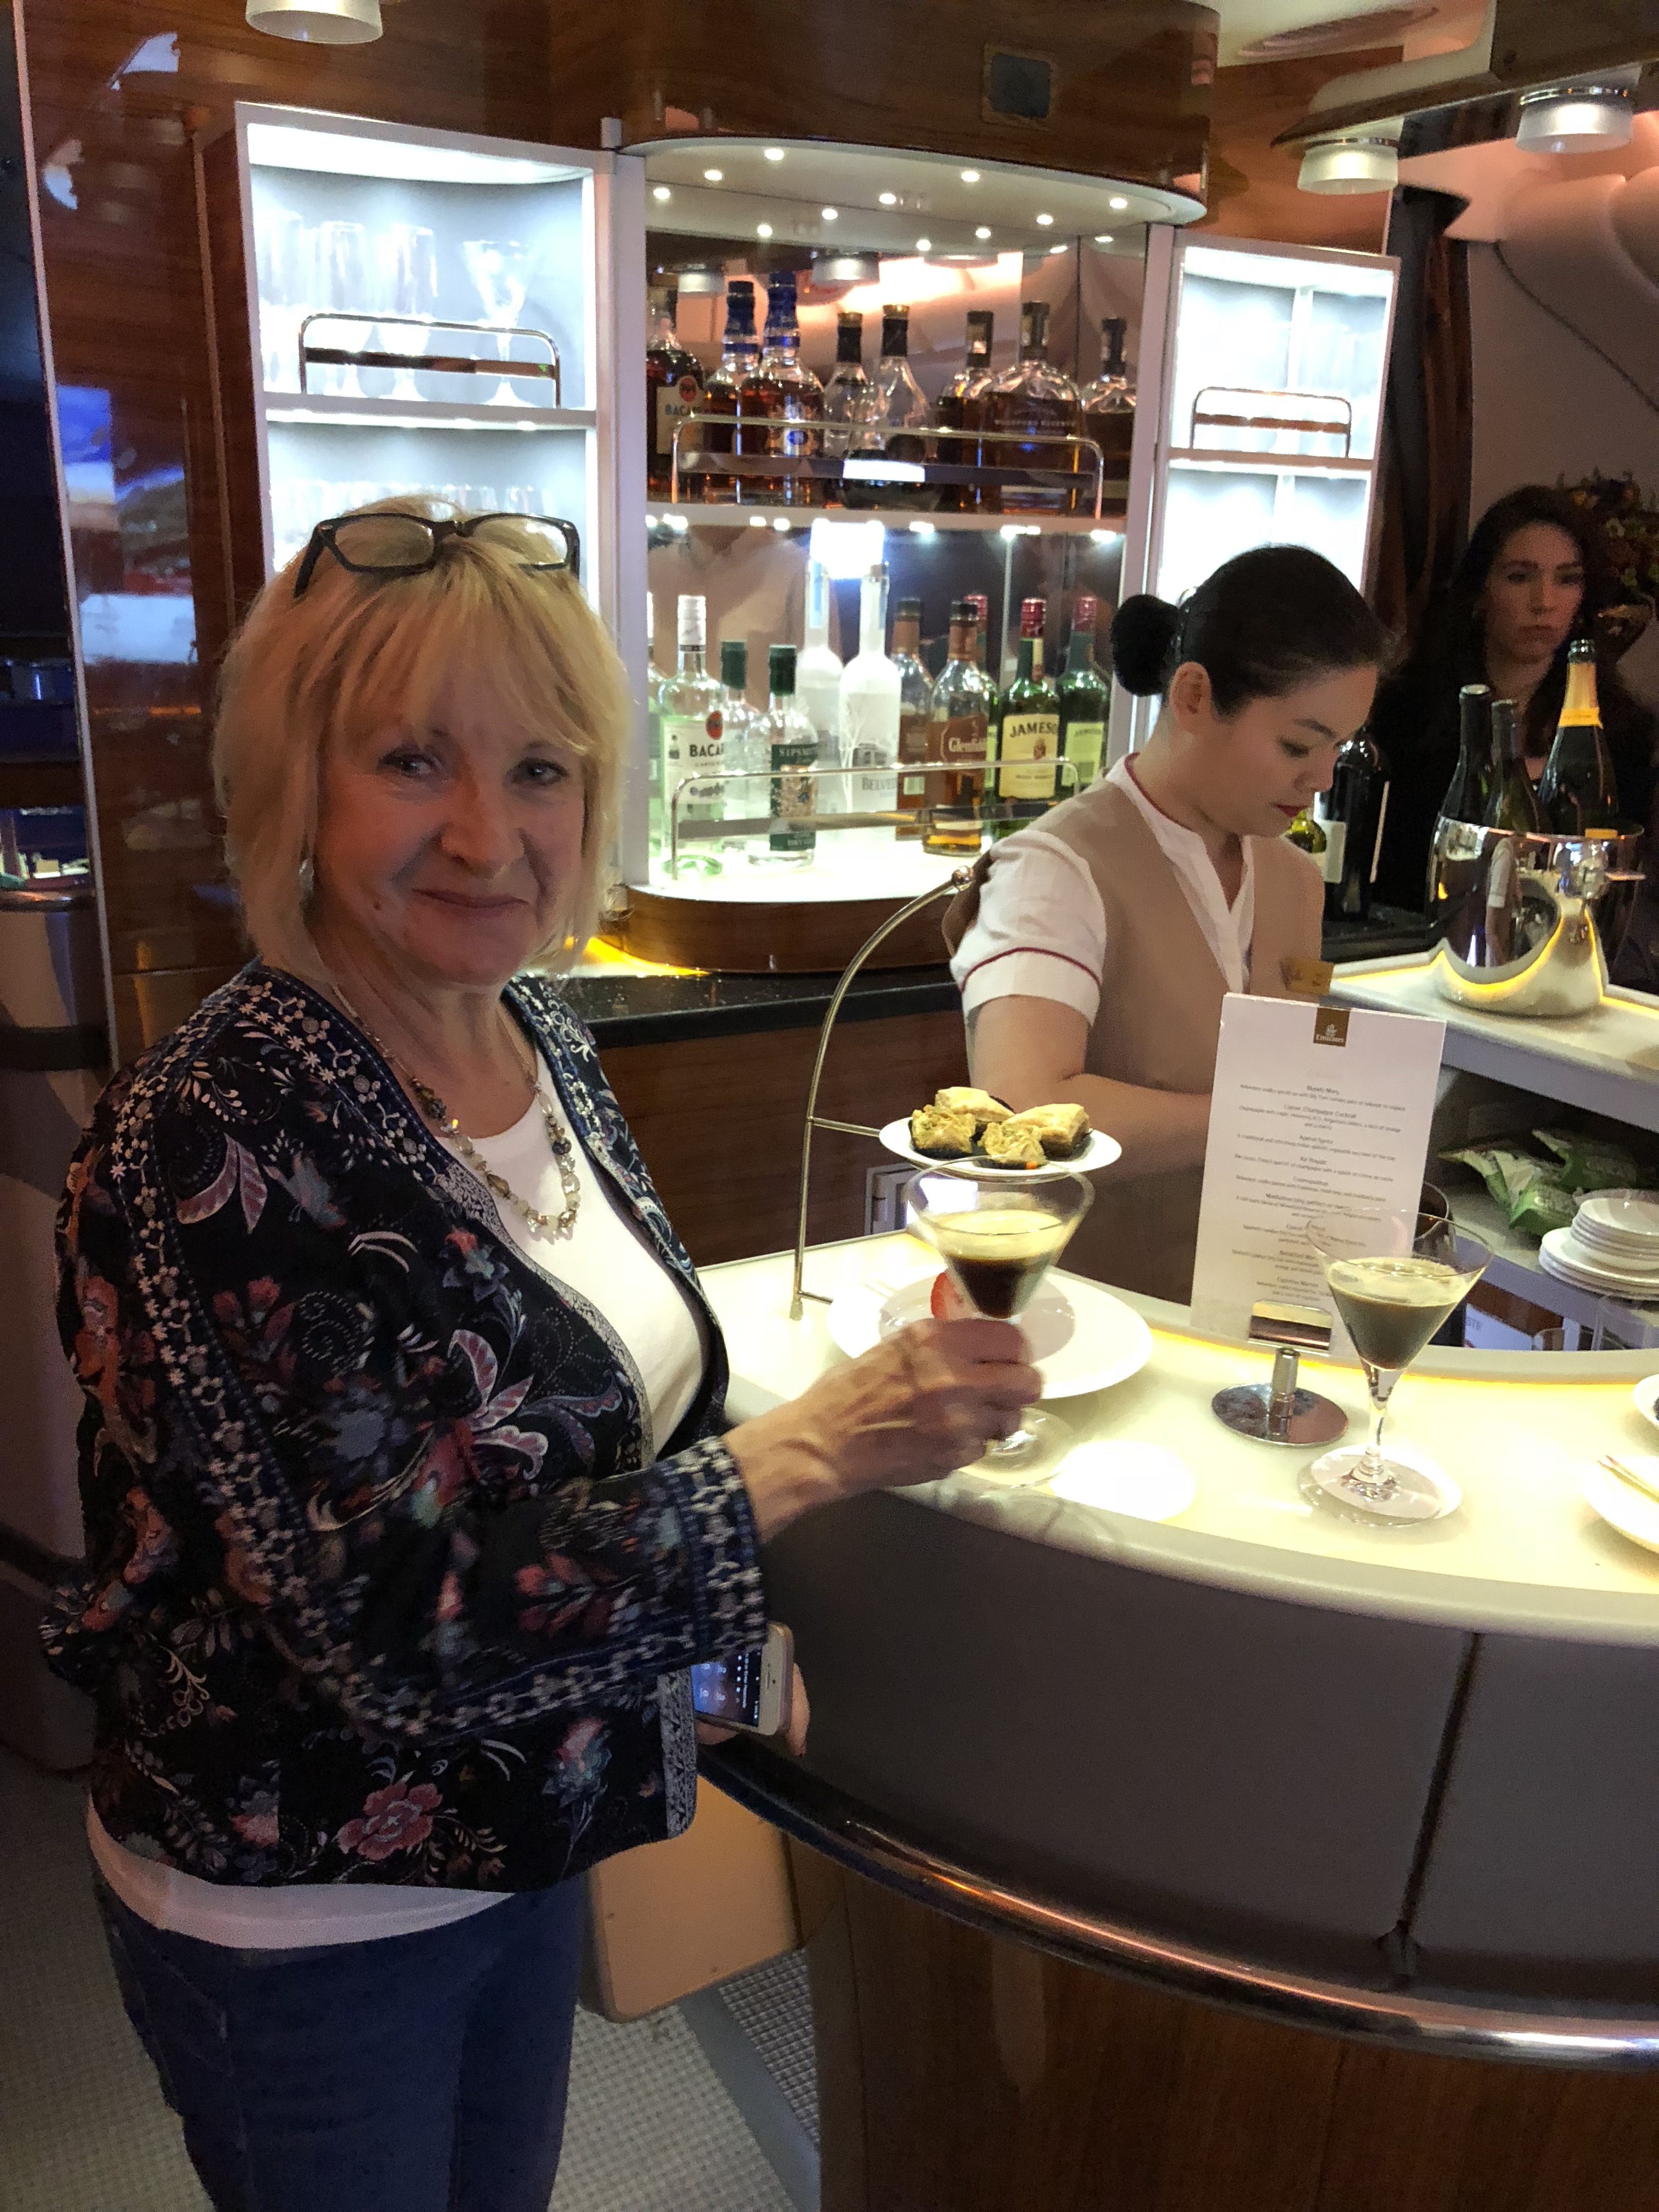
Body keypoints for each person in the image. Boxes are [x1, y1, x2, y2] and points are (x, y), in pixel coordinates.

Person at [42, 499, 1039, 2212]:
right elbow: (386, 1633)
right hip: (305, 1919)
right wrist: (814, 1450)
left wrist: (730, 1658)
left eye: (541, 770)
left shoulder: (536, 1038)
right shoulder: (217, 1128)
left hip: (519, 1850)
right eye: (411, 761)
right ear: (295, 783)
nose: (488, 836)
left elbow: (620, 1423)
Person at [944, 544, 1389, 1305]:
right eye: (1297, 745)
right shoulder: (1058, 868)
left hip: (1255, 1316)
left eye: (1340, 747)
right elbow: (1021, 1103)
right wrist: (1268, 1117)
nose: (1321, 779)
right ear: (1192, 696)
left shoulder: (1292, 878)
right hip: (1079, 1316)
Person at [1372, 484, 1658, 911]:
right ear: (1479, 592)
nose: (1544, 602)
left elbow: (1616, 889)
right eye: (1520, 577)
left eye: (1567, 579)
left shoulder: (1621, 733)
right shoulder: (1407, 712)